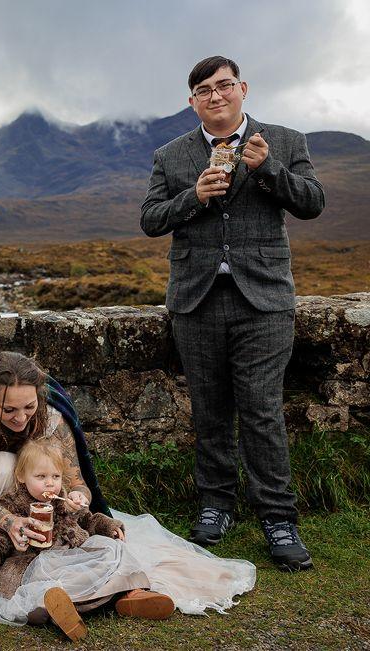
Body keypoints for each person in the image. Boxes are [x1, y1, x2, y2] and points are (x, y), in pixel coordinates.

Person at [0, 352, 256, 626]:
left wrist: (81, 498)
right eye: (8, 410)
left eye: (28, 407)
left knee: (48, 499)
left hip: (36, 491)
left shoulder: (51, 418)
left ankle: (111, 591)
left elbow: (74, 479)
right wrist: (10, 520)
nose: (20, 418)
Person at [141, 55, 325, 571]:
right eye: (204, 90)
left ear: (242, 88)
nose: (215, 96)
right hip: (196, 300)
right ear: (192, 100)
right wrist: (192, 197)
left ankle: (278, 518)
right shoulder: (171, 155)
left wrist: (269, 171)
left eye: (224, 86)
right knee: (209, 408)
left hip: (264, 299)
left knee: (262, 409)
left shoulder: (284, 141)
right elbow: (151, 219)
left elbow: (313, 202)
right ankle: (216, 505)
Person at [0, 440, 171, 640]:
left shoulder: (63, 499)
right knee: (38, 592)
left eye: (56, 476)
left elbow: (87, 520)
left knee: (112, 548)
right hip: (34, 564)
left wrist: (106, 526)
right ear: (21, 476)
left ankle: (132, 593)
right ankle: (61, 608)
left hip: (70, 557)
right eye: (41, 476)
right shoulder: (11, 504)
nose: (50, 483)